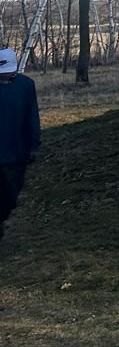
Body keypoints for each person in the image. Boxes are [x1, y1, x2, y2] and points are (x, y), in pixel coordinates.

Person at [0, 47, 40, 242]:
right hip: (11, 150)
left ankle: (7, 222)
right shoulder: (25, 85)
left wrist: (34, 144)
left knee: (12, 191)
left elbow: (32, 117)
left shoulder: (25, 86)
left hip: (16, 151)